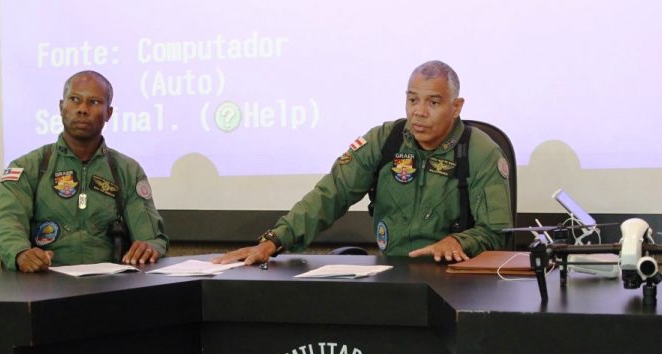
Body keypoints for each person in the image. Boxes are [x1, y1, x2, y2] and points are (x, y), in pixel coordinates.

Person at [214, 60, 512, 266]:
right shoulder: (385, 140)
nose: (419, 112)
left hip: (456, 280)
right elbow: (331, 194)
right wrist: (273, 241)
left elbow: (497, 232)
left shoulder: (480, 151)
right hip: (392, 273)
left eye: (433, 103)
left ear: (456, 106)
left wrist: (460, 242)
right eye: (412, 100)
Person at [0, 70, 168, 272]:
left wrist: (149, 247)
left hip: (109, 289)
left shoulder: (127, 170)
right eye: (75, 99)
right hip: (42, 286)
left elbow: (150, 238)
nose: (83, 109)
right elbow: (6, 222)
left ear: (108, 113)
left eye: (94, 102)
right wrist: (21, 253)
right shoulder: (27, 167)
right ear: (61, 107)